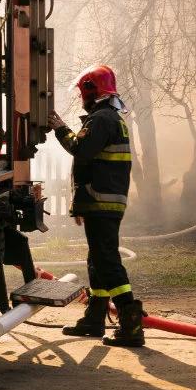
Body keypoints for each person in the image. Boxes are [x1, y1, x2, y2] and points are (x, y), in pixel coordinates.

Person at [48, 64, 146, 348]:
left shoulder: (102, 119)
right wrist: (81, 205)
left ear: (92, 91)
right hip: (100, 200)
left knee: (106, 260)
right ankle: (94, 318)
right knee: (97, 260)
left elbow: (81, 150)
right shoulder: (109, 117)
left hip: (102, 200)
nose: (81, 98)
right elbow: (92, 164)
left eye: (83, 92)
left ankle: (131, 322)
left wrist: (59, 128)